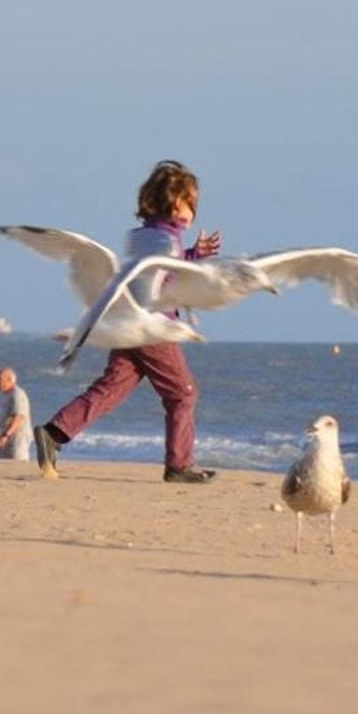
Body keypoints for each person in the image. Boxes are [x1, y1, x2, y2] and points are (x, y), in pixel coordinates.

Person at [34, 160, 221, 484]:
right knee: (183, 393)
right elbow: (164, 272)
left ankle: (54, 433)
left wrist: (191, 255)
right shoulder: (167, 241)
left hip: (126, 322)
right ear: (175, 202)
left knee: (112, 387)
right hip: (152, 326)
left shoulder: (143, 235)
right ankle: (179, 465)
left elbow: (158, 269)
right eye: (191, 201)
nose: (194, 209)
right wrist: (192, 261)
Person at [0, 367, 32, 460]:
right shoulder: (9, 395)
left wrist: (6, 435)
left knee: (18, 464)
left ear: (10, 380)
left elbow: (19, 417)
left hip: (18, 438)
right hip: (8, 437)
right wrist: (2, 434)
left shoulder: (17, 394)